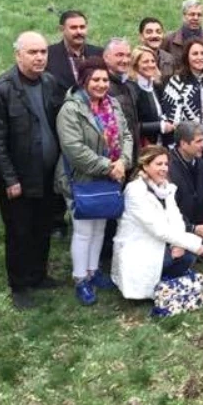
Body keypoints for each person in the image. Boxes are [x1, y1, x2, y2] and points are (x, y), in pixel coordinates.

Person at [0, 31, 65, 310]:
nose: (40, 57)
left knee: (43, 226)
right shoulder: (1, 90)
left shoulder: (49, 82)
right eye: (33, 52)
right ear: (18, 55)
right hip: (18, 178)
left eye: (43, 52)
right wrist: (9, 178)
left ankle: (39, 274)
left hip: (47, 174)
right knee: (19, 231)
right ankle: (19, 284)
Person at [55, 58, 132, 305]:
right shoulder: (71, 109)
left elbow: (127, 135)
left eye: (105, 80)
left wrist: (123, 162)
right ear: (84, 81)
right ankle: (80, 279)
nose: (101, 85)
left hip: (111, 175)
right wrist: (108, 166)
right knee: (84, 230)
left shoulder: (113, 104)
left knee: (100, 227)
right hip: (82, 178)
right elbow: (73, 148)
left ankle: (93, 270)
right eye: (95, 80)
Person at [111, 146, 203, 300]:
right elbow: (158, 230)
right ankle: (153, 287)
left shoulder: (165, 188)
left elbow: (176, 218)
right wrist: (192, 243)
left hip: (161, 242)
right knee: (187, 253)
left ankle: (165, 284)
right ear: (145, 166)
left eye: (166, 164)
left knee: (187, 255)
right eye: (158, 164)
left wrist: (180, 244)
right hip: (139, 247)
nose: (164, 168)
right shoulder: (135, 191)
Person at [162, 40, 203, 170]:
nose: (200, 57)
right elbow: (171, 116)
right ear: (187, 57)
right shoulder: (176, 81)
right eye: (195, 54)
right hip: (187, 142)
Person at [102, 38, 140, 166]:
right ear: (106, 57)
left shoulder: (130, 86)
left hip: (131, 156)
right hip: (113, 161)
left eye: (128, 55)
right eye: (119, 55)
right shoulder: (102, 87)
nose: (125, 60)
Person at [46, 10, 103, 93]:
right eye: (73, 28)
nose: (79, 32)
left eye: (82, 27)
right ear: (62, 29)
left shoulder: (98, 54)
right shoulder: (49, 55)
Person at [129, 45, 174, 147]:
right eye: (145, 62)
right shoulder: (131, 89)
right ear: (135, 64)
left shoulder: (157, 86)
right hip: (142, 146)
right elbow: (132, 126)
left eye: (153, 61)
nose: (151, 65)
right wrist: (160, 126)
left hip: (161, 143)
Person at [162, 0, 203, 70]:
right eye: (192, 14)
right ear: (184, 16)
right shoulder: (169, 39)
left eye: (199, 15)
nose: (196, 18)